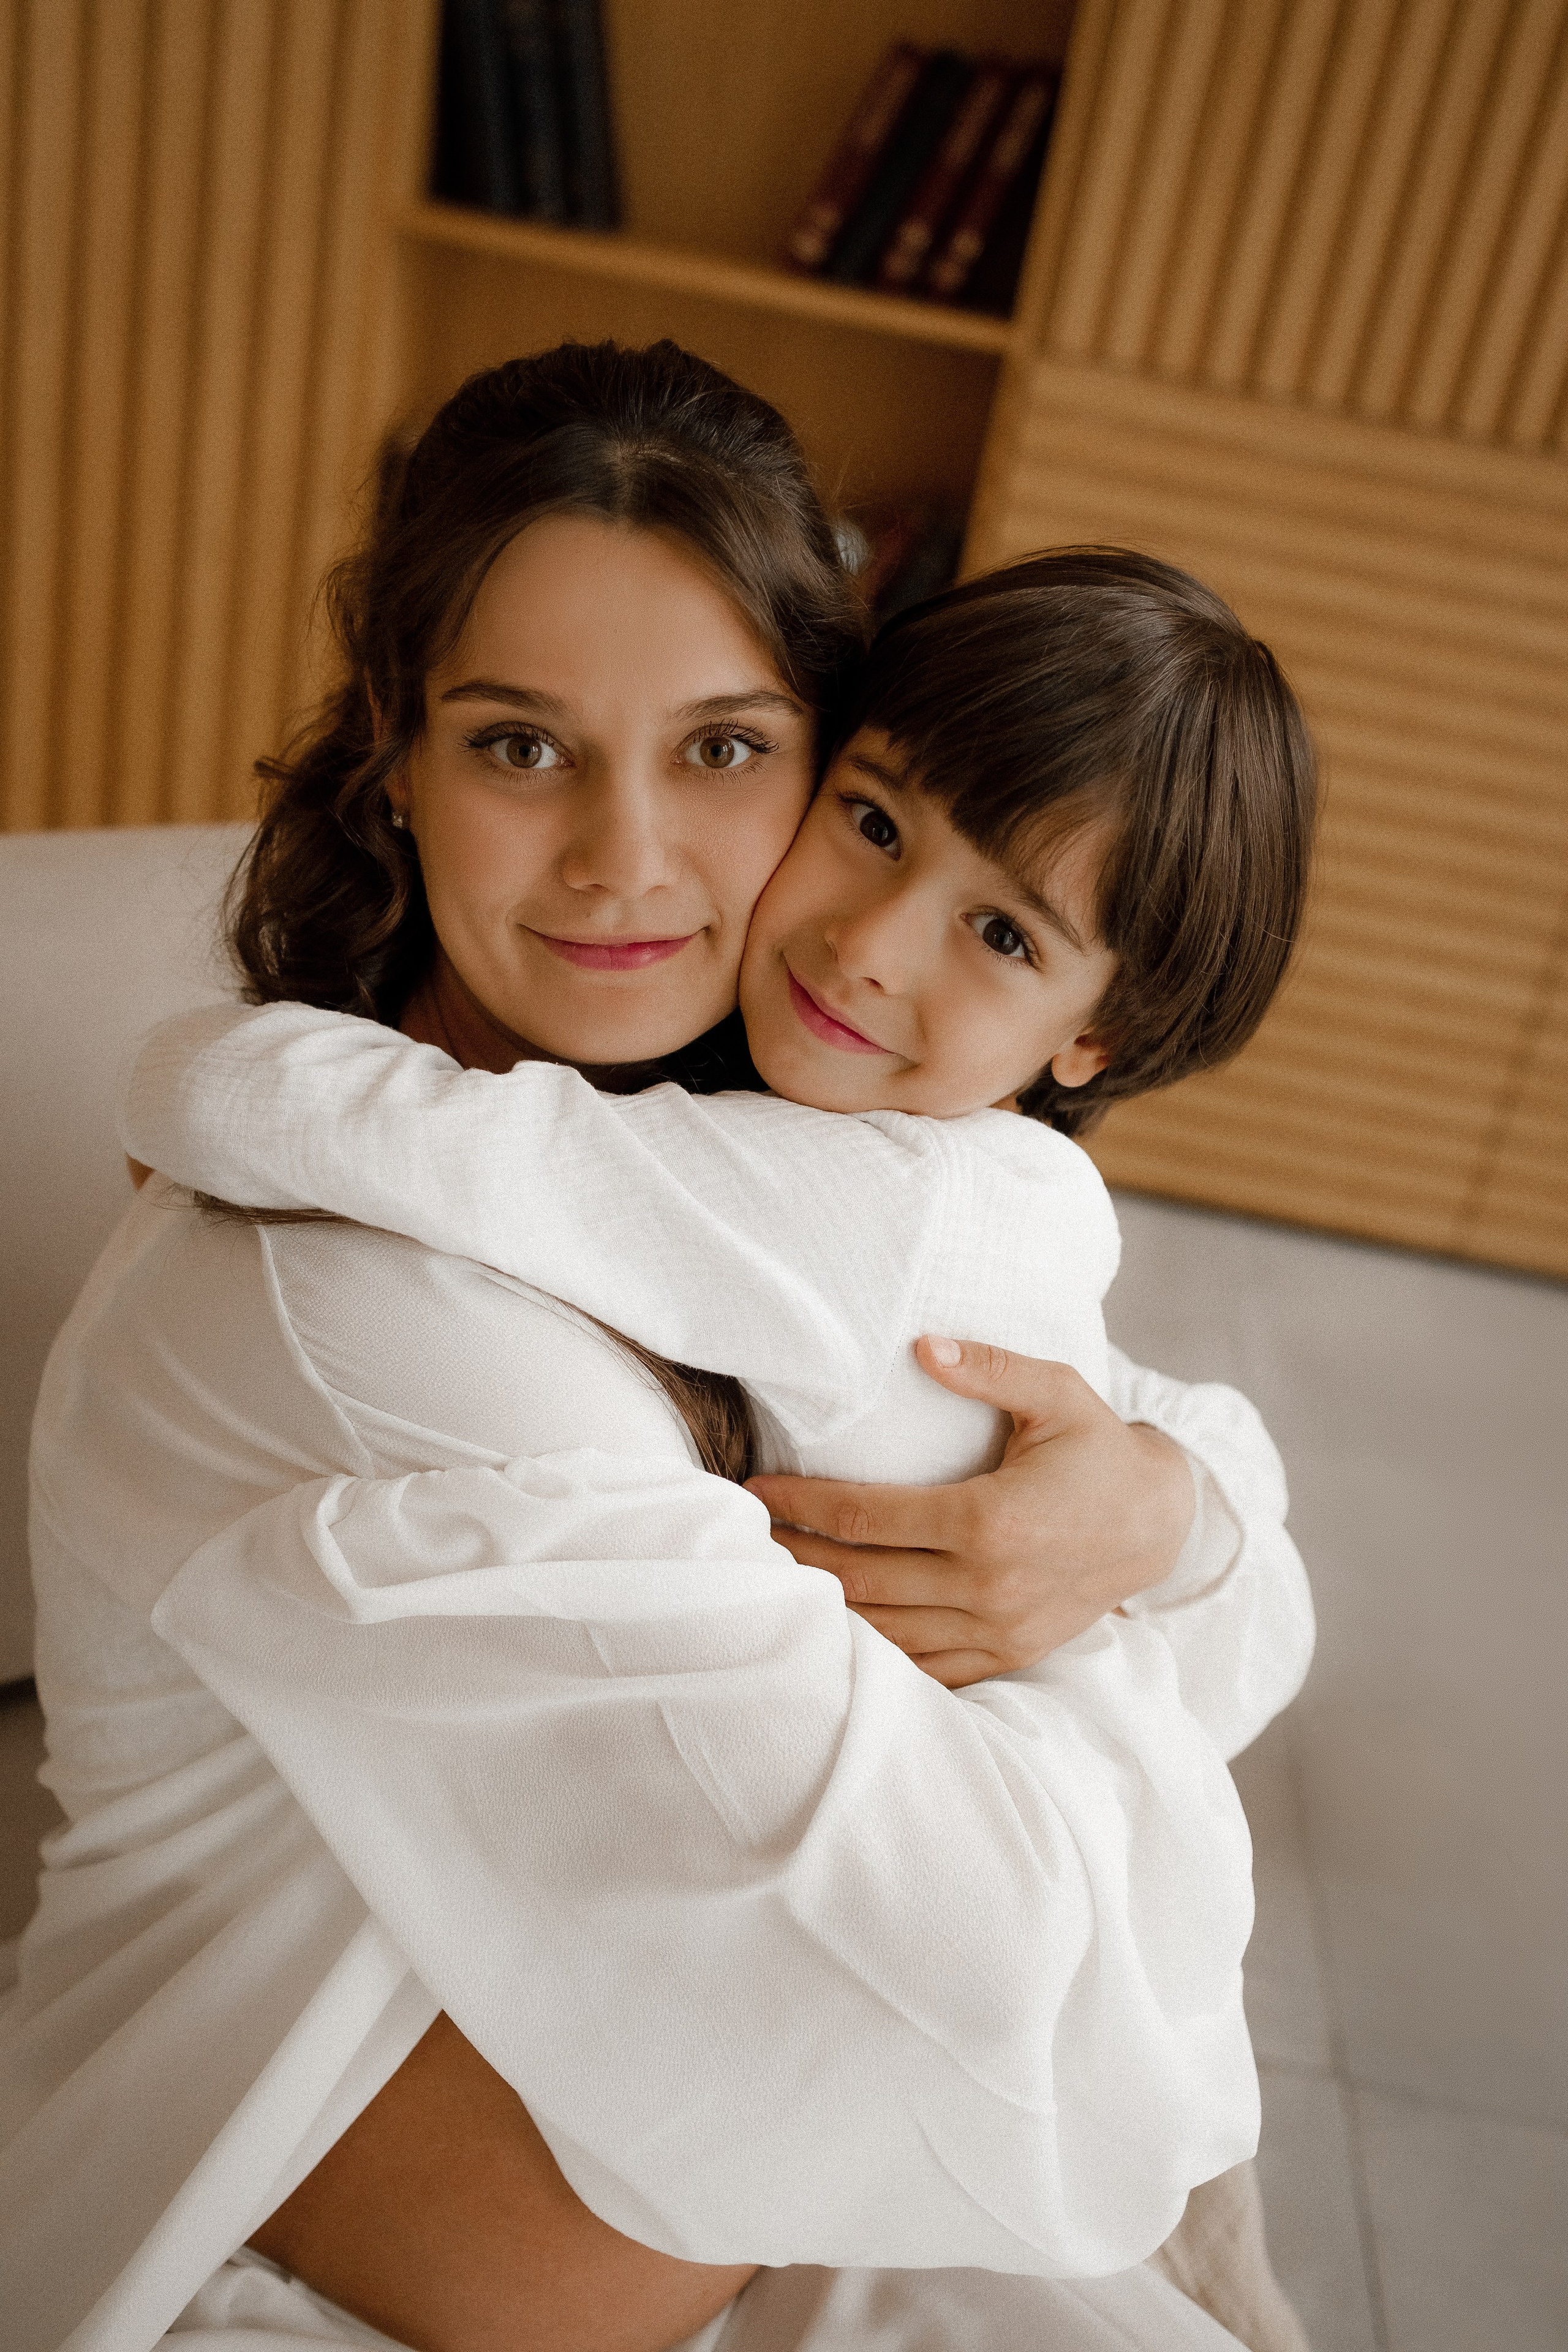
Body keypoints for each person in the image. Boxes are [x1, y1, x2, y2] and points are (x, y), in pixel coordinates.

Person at [4, 345, 1313, 2352]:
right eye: (524, 747)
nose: (628, 858)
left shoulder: (767, 1155)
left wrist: (1160, 1511)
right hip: (270, 2276)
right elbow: (957, 1947)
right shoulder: (363, 1303)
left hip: (794, 2203)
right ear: (397, 752)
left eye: (721, 751)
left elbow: (1189, 1497)